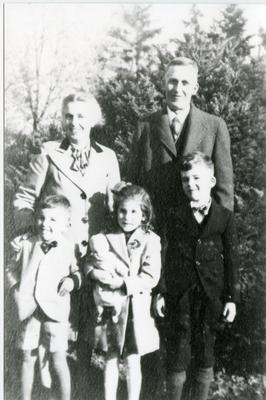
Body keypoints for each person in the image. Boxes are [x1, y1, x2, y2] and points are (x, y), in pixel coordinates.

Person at [154, 152, 240, 400]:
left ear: (212, 181)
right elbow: (163, 252)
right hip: (178, 295)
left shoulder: (225, 217)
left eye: (196, 178)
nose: (190, 184)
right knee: (178, 349)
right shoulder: (172, 215)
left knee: (206, 350)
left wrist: (232, 298)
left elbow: (233, 260)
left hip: (212, 296)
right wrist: (160, 291)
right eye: (185, 180)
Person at [127, 57, 234, 235]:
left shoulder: (214, 126)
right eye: (173, 82)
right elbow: (133, 182)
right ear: (164, 84)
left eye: (185, 83)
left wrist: (218, 234)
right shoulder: (145, 126)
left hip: (197, 232)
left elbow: (224, 190)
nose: (178, 89)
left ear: (195, 88)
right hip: (155, 231)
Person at [13, 91, 120, 260]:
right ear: (63, 120)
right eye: (69, 116)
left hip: (96, 255)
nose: (74, 123)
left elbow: (114, 208)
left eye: (81, 116)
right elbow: (24, 198)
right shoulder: (47, 152)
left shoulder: (108, 156)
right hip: (55, 252)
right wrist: (27, 231)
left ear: (93, 120)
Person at [85, 184, 161, 400]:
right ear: (116, 211)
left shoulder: (150, 240)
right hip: (111, 308)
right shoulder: (106, 236)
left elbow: (151, 276)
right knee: (110, 356)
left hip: (135, 309)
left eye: (134, 211)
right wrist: (93, 274)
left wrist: (123, 283)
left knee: (132, 359)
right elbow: (90, 261)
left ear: (144, 214)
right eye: (122, 211)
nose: (127, 217)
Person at [5, 195, 82, 400]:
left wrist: (72, 281)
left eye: (52, 220)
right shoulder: (26, 244)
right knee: (27, 357)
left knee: (58, 359)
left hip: (55, 310)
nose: (45, 224)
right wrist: (15, 287)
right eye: (41, 218)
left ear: (66, 224)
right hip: (28, 309)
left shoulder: (68, 247)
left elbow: (77, 271)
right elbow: (10, 269)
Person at [89, 234, 129, 324]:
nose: (98, 254)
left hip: (113, 286)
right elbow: (88, 265)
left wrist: (123, 273)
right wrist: (93, 272)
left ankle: (115, 314)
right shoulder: (93, 259)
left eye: (101, 250)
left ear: (106, 248)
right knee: (98, 304)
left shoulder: (111, 258)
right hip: (100, 288)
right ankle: (99, 314)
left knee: (117, 304)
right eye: (95, 251)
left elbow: (119, 266)